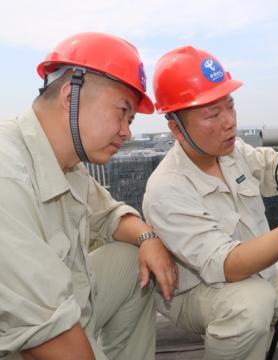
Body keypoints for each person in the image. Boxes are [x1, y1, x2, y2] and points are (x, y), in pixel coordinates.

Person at [143, 45, 278, 359]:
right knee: (253, 303)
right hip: (197, 291)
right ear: (176, 128)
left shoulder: (231, 150)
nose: (229, 122)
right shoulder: (167, 187)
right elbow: (227, 265)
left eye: (230, 107)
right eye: (213, 114)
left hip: (256, 275)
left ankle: (243, 350)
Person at [0, 32, 179, 360]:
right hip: (28, 341)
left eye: (130, 120)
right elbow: (49, 336)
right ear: (71, 96)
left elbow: (110, 214)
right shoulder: (8, 175)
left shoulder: (66, 163)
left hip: (70, 312)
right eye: (122, 112)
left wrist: (148, 237)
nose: (126, 132)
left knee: (131, 262)